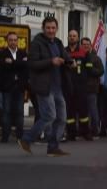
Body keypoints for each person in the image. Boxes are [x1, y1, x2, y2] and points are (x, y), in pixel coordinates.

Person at [19, 17, 70, 157]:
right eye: (48, 28)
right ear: (43, 28)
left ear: (57, 29)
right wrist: (50, 61)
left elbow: (66, 57)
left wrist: (71, 62)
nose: (51, 30)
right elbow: (32, 64)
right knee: (49, 116)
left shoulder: (58, 43)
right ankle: (26, 139)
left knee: (62, 118)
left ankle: (53, 147)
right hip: (43, 86)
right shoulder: (37, 43)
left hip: (57, 87)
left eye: (53, 28)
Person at [0, 32, 28, 142]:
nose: (13, 42)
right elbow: (3, 65)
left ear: (17, 41)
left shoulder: (23, 53)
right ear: (7, 41)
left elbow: (25, 67)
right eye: (11, 40)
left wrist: (12, 63)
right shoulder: (2, 53)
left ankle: (20, 136)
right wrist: (19, 63)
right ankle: (5, 136)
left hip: (19, 87)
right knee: (6, 112)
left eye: (15, 40)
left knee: (19, 112)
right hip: (7, 87)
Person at [78, 37, 103, 140]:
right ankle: (82, 130)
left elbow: (101, 71)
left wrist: (90, 69)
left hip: (91, 88)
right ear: (81, 46)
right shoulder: (78, 57)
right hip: (79, 88)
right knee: (81, 111)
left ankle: (95, 131)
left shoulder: (96, 58)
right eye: (84, 44)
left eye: (87, 45)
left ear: (91, 46)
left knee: (93, 110)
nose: (86, 46)